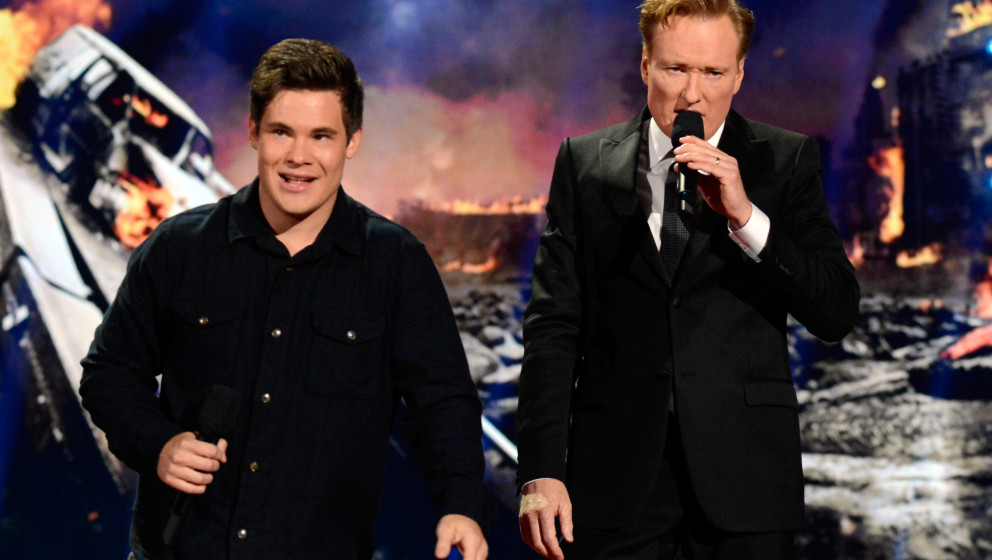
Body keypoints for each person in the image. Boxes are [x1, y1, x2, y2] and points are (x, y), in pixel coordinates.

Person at [79, 38, 490, 560]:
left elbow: (443, 402)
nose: (299, 157)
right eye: (281, 132)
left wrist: (461, 505)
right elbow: (109, 373)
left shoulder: (396, 264)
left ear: (352, 141)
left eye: (321, 136)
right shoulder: (180, 247)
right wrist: (158, 444)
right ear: (254, 131)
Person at [515, 0, 860, 558]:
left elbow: (836, 311)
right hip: (614, 476)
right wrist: (541, 469)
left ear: (740, 74)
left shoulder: (785, 159)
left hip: (744, 477)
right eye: (675, 69)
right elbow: (553, 324)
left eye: (713, 72)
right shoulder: (584, 162)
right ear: (645, 64)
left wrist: (745, 217)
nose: (692, 94)